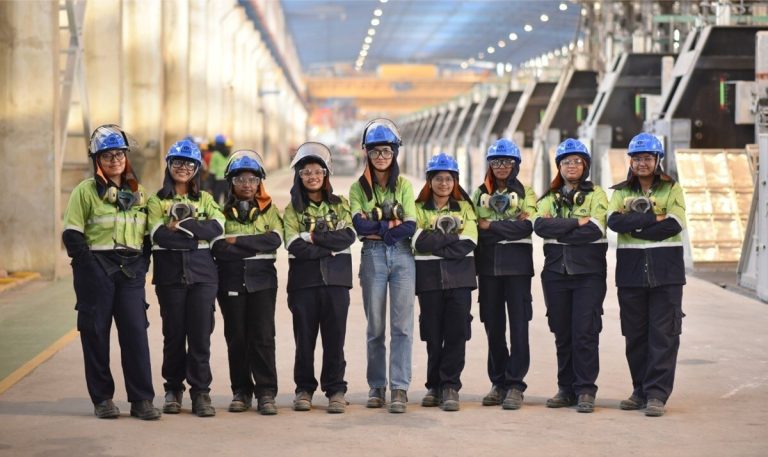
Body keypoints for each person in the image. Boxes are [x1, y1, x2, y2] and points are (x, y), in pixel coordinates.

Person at [62, 124, 161, 420]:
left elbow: (148, 238)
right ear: (97, 160)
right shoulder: (85, 192)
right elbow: (72, 235)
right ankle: (103, 399)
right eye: (107, 155)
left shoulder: (141, 194)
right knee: (95, 335)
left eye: (119, 154)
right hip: (96, 270)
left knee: (135, 334)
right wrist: (91, 269)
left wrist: (142, 266)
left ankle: (142, 400)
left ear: (126, 157)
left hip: (131, 271)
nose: (114, 160)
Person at [607, 132, 686, 417]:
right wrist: (654, 218)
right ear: (630, 161)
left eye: (647, 158)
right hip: (631, 274)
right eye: (637, 158)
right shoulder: (620, 192)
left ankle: (656, 394)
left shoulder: (672, 188)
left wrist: (636, 227)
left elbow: (674, 224)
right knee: (636, 335)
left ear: (657, 160)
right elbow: (614, 222)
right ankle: (639, 390)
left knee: (663, 336)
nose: (642, 163)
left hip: (666, 273)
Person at [147, 139, 225, 417]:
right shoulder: (156, 200)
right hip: (170, 277)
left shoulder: (205, 199)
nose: (183, 168)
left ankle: (201, 392)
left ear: (197, 169)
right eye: (178, 162)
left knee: (200, 337)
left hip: (203, 277)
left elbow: (218, 227)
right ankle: (173, 389)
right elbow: (158, 235)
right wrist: (196, 236)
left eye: (189, 164)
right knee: (173, 336)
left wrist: (183, 227)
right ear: (168, 165)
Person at [533, 138, 608, 414]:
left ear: (585, 165)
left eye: (577, 161)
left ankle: (586, 389)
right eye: (566, 162)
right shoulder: (549, 197)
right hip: (555, 273)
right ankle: (566, 389)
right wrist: (577, 222)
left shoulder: (597, 195)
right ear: (559, 166)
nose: (572, 166)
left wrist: (559, 229)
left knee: (585, 332)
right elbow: (540, 226)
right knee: (562, 333)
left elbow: (595, 229)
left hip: (588, 275)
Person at [349, 119, 417, 414]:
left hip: (402, 256)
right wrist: (390, 226)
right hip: (373, 255)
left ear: (394, 153)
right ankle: (377, 386)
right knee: (375, 327)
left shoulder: (404, 185)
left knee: (402, 326)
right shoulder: (357, 189)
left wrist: (380, 228)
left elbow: (410, 225)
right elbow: (359, 226)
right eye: (375, 151)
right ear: (366, 152)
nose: (381, 156)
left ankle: (399, 387)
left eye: (386, 151)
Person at [283, 142, 356, 414]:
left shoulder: (340, 205)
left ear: (326, 174)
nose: (312, 176)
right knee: (305, 340)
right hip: (303, 284)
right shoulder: (292, 210)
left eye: (317, 171)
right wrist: (327, 248)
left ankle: (336, 390)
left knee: (335, 340)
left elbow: (348, 236)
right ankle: (304, 389)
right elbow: (294, 245)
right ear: (299, 176)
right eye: (306, 172)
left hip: (337, 282)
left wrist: (311, 237)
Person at [211, 150, 283, 415]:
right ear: (231, 182)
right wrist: (253, 243)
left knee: (263, 337)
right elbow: (218, 247)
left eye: (252, 179)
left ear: (259, 182)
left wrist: (236, 242)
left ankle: (266, 392)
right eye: (240, 179)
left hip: (262, 282)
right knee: (237, 337)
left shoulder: (270, 211)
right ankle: (241, 391)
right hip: (230, 281)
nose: (247, 184)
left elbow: (274, 240)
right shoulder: (220, 213)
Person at [471, 138, 537, 410]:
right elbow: (474, 228)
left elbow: (527, 227)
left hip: (518, 270)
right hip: (488, 269)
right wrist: (506, 226)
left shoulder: (527, 193)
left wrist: (490, 226)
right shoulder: (478, 194)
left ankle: (515, 385)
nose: (501, 166)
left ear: (516, 164)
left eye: (507, 162)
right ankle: (498, 382)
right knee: (494, 328)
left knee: (519, 327)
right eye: (496, 162)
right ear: (489, 164)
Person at [413, 152, 477, 412]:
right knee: (433, 334)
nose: (443, 183)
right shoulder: (417, 208)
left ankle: (450, 386)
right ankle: (433, 386)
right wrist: (451, 239)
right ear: (429, 181)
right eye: (438, 178)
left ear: (455, 181)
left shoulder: (465, 208)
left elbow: (469, 242)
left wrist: (434, 243)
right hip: (429, 280)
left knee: (456, 333)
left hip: (460, 280)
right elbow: (417, 242)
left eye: (448, 178)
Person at [209, 134, 231, 204]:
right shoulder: (228, 153)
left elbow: (212, 170)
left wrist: (210, 185)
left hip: (218, 180)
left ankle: (216, 210)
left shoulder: (215, 154)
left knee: (216, 198)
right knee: (227, 199)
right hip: (227, 179)